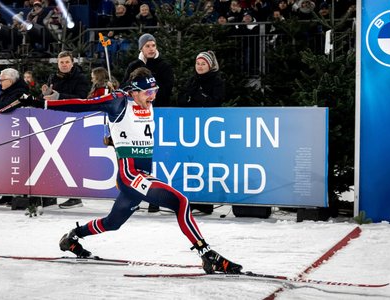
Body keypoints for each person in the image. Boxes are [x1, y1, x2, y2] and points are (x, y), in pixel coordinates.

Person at [19, 67, 243, 274]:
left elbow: (129, 130)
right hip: (131, 176)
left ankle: (72, 237)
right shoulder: (118, 101)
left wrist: (113, 139)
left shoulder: (145, 102)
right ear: (135, 91)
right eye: (148, 92)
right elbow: (81, 104)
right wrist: (40, 103)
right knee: (181, 202)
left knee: (113, 223)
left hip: (142, 176)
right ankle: (206, 253)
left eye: (155, 91)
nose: (153, 96)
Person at [123, 33, 174, 213]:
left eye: (153, 45)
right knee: (138, 159)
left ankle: (155, 199)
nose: (151, 48)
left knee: (155, 156)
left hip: (156, 114)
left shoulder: (164, 66)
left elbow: (167, 90)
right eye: (147, 46)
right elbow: (125, 88)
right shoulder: (134, 66)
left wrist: (148, 98)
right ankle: (136, 197)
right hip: (135, 117)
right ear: (141, 48)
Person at [177, 51, 224, 215]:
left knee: (206, 164)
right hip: (191, 128)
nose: (200, 66)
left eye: (203, 63)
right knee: (191, 163)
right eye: (198, 63)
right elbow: (181, 100)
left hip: (208, 128)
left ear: (210, 65)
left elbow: (214, 102)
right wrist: (190, 97)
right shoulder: (192, 80)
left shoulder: (216, 81)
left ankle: (206, 202)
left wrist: (196, 95)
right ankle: (192, 199)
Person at [43, 50, 90, 208]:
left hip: (74, 119)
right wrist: (47, 94)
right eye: (61, 62)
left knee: (72, 158)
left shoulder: (81, 78)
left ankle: (75, 197)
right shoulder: (52, 77)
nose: (64, 65)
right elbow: (51, 97)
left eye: (67, 62)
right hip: (54, 119)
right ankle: (51, 195)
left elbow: (82, 98)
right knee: (53, 159)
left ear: (72, 62)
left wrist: (59, 96)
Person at [0, 68, 28, 206]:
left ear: (11, 80)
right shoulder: (8, 91)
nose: (0, 83)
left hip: (19, 133)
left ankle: (19, 195)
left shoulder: (20, 91)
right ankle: (7, 194)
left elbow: (6, 107)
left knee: (19, 166)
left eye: (2, 80)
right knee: (6, 165)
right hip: (7, 132)